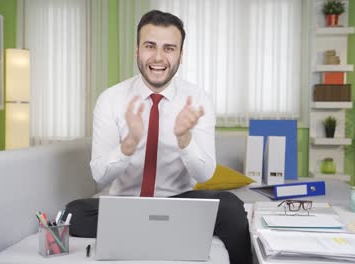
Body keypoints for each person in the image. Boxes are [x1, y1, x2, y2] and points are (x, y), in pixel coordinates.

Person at [90, 10, 252, 264]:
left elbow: (205, 175)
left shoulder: (198, 99)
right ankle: (148, 230)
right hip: (125, 205)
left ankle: (149, 232)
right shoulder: (111, 99)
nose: (158, 57)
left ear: (180, 55)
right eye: (149, 46)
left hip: (179, 204)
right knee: (73, 213)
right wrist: (129, 144)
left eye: (169, 48)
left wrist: (184, 139)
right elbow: (100, 175)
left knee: (231, 208)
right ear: (137, 51)